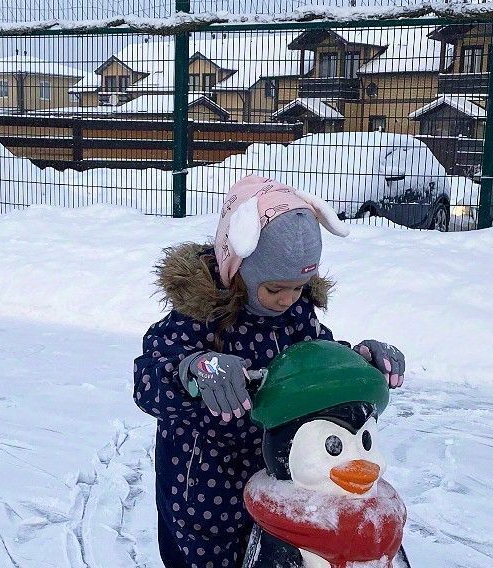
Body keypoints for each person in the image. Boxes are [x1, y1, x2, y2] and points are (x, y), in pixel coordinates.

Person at [134, 176, 406, 568]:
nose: (288, 299)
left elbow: (320, 362)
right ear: (239, 265)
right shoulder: (197, 315)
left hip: (279, 471)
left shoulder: (297, 312)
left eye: (299, 287)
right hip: (206, 481)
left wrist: (361, 360)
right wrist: (191, 369)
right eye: (276, 288)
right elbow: (148, 380)